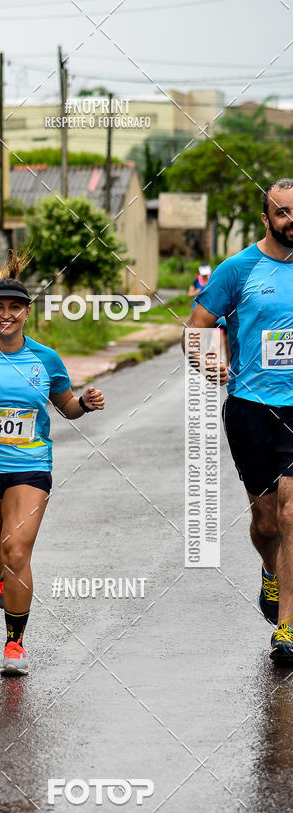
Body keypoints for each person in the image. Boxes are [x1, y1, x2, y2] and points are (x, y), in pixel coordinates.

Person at [0, 250, 105, 676]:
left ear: (27, 312)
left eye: (14, 308)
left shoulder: (46, 358)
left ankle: (14, 644)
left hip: (30, 466)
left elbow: (65, 405)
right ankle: (3, 580)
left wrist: (83, 402)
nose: (6, 315)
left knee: (16, 549)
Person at [184, 177, 293, 664]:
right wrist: (209, 362)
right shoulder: (239, 269)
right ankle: (269, 573)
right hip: (250, 406)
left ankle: (288, 628)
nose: (292, 221)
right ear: (266, 218)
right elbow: (196, 330)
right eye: (284, 212)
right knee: (266, 522)